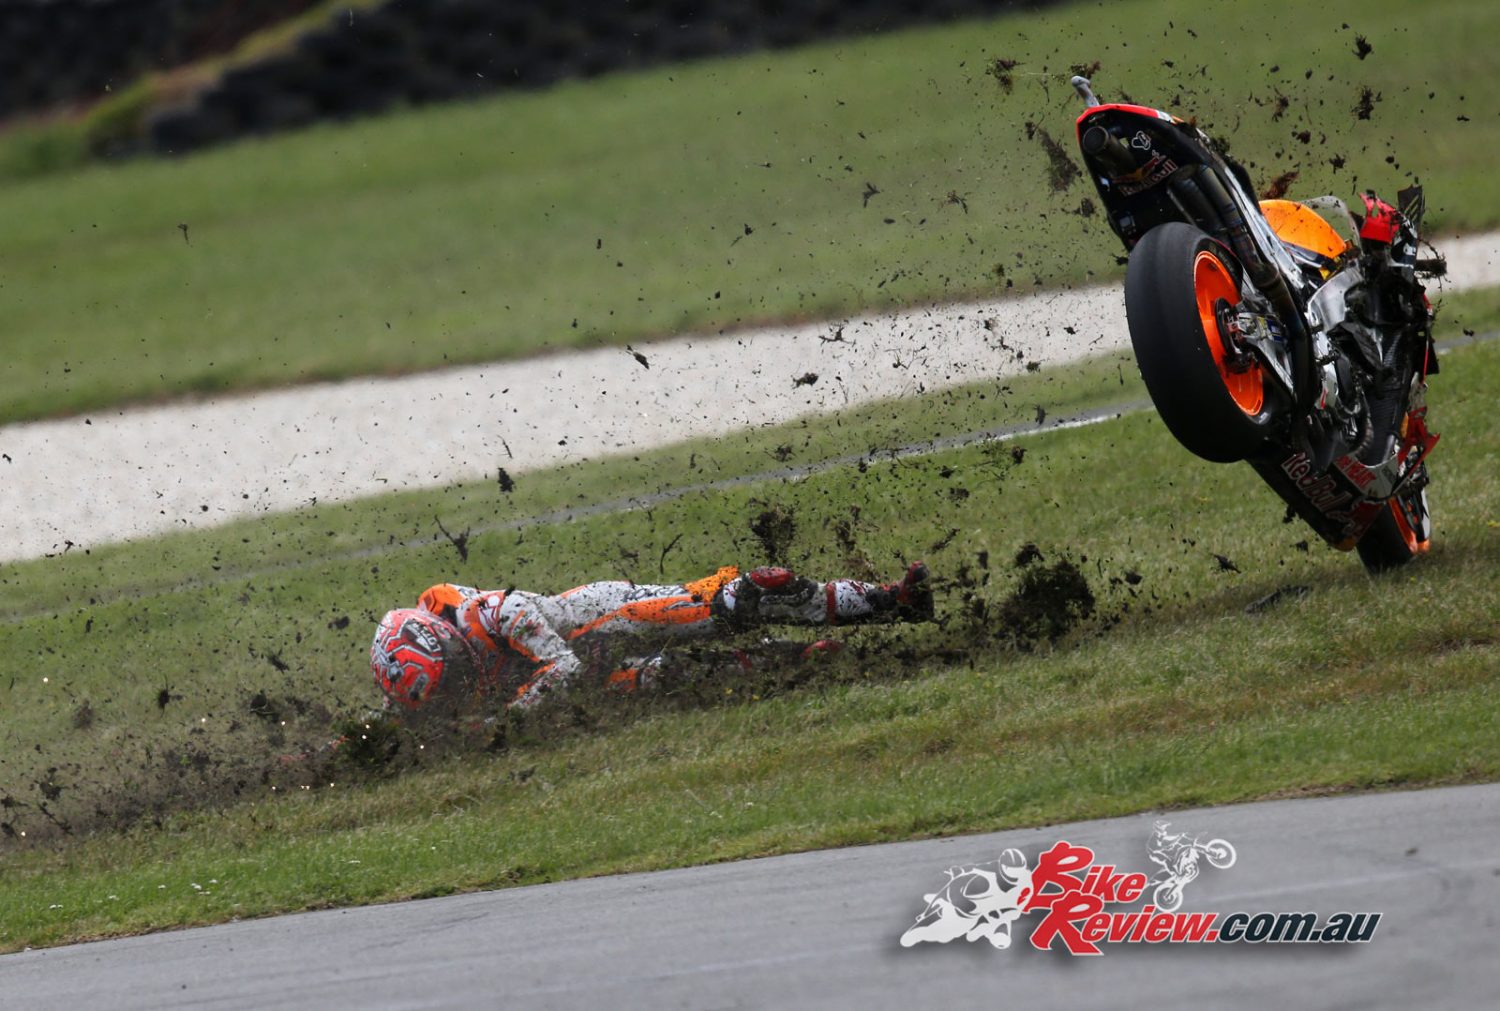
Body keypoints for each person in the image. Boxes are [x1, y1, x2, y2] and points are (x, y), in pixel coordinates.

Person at [370, 561, 933, 715]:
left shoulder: (494, 612)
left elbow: (562, 669)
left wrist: (501, 725)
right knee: (664, 681)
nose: (458, 687)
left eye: (456, 673)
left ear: (444, 640)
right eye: (447, 689)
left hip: (606, 623)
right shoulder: (432, 695)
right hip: (587, 678)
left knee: (736, 601)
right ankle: (793, 662)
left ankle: (891, 600)